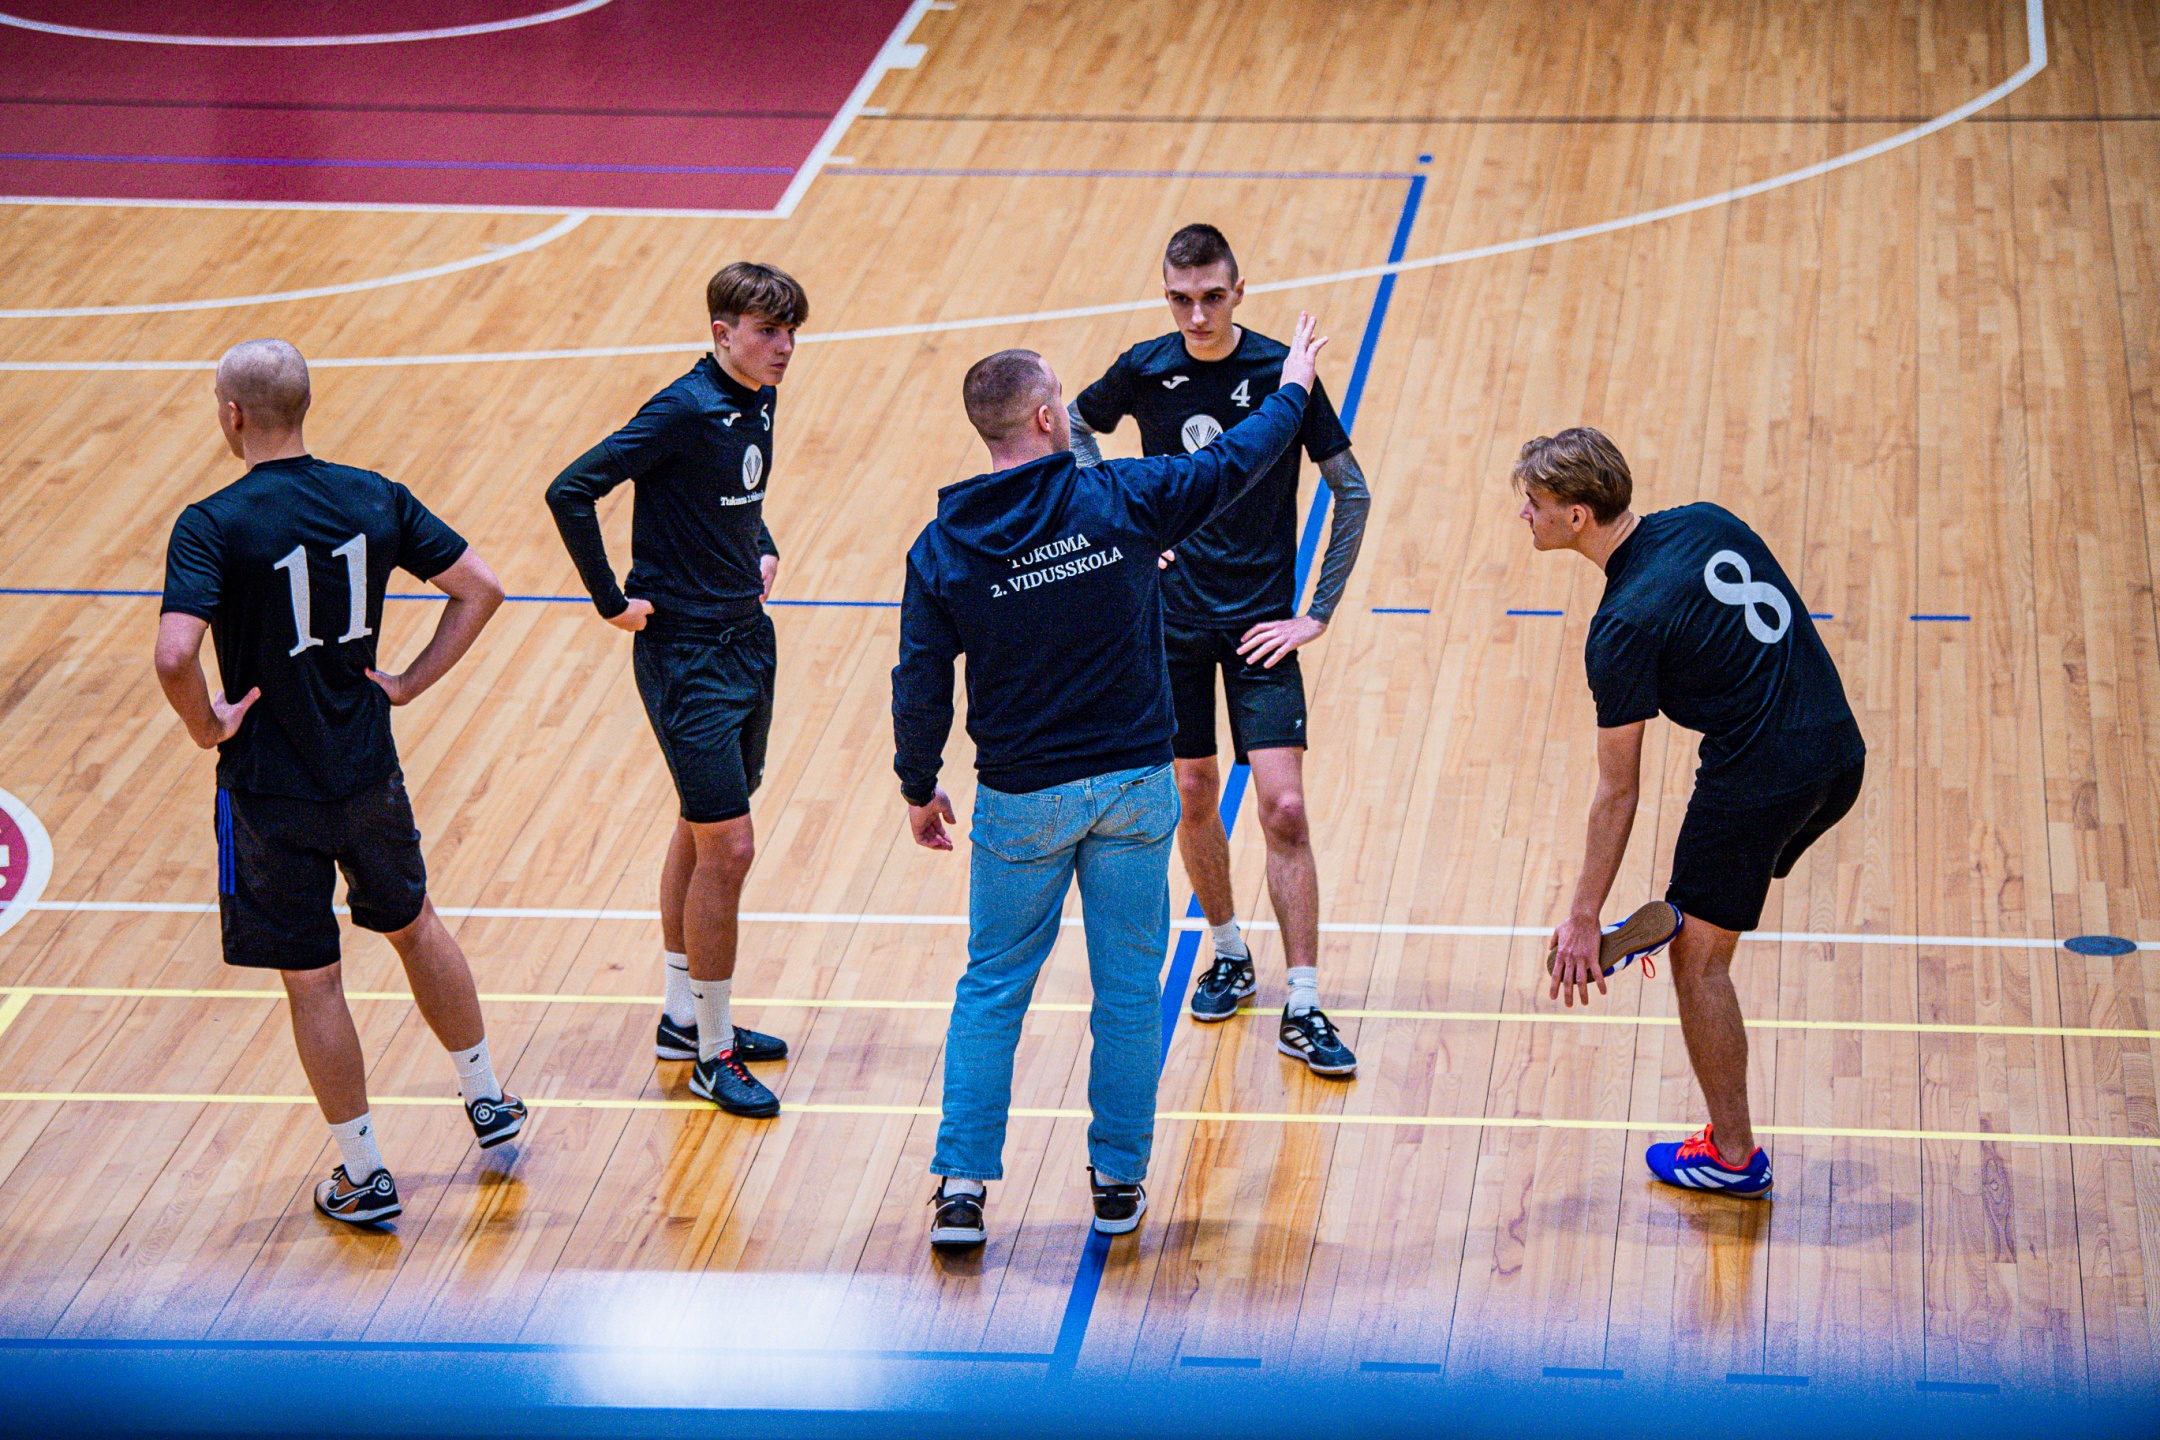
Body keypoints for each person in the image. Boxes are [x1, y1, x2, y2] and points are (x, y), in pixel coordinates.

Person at [896, 314, 1330, 1250]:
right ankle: (1119, 1180)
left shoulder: (944, 545)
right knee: (1129, 994)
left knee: (993, 987)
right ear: (1047, 417)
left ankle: (962, 1188)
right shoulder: (1122, 500)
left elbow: (920, 677)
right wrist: (1291, 386)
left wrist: (918, 783)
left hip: (1021, 799)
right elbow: (1233, 462)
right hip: (1133, 789)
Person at [155, 338, 525, 1228]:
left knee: (314, 981)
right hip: (366, 770)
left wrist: (206, 724)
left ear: (232, 415)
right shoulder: (373, 495)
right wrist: (407, 682)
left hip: (268, 790)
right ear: (304, 405)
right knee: (414, 925)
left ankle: (365, 1173)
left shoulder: (210, 523)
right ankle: (486, 1098)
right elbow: (481, 588)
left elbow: (173, 654)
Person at [1521, 427, 1866, 1198]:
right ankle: (1689, 909)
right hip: (1840, 753)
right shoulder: (1706, 521)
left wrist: (1584, 916)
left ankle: (1733, 1158)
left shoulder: (1622, 626)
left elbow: (1619, 789)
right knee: (1710, 917)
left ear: (1576, 516)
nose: (1524, 515)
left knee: (1699, 962)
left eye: (1533, 503)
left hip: (1762, 778)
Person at [1068, 224, 1370, 1077]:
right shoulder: (1144, 367)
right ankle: (1229, 950)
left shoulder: (1283, 372)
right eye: (1180, 299)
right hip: (1168, 621)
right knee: (1193, 791)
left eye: (1211, 297)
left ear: (1239, 291)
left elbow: (1351, 492)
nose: (1196, 315)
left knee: (1285, 809)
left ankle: (1303, 1001)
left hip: (1260, 626)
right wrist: (1125, 523)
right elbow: (1077, 430)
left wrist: (1316, 613)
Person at [544, 262, 804, 1119]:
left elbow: (733, 489)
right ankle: (712, 1054)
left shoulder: (758, 395)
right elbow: (571, 489)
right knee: (730, 848)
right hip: (685, 656)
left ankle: (682, 1017)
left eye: (791, 333)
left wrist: (760, 540)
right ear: (723, 334)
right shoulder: (683, 408)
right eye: (768, 333)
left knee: (703, 831)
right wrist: (609, 600)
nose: (784, 348)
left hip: (746, 640)